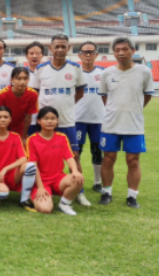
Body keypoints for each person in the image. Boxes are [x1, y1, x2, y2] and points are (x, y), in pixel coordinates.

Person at [29, 34, 89, 207]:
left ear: (68, 48)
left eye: (64, 46)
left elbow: (79, 93)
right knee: (37, 156)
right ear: (51, 48)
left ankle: (79, 192)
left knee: (74, 156)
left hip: (67, 121)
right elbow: (34, 93)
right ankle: (35, 188)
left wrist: (65, 106)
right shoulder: (41, 68)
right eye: (57, 46)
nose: (60, 49)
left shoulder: (75, 68)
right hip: (43, 122)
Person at [98, 37, 153, 208]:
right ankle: (106, 193)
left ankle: (132, 196)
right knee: (108, 159)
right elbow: (105, 97)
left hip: (134, 125)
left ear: (133, 51)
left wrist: (134, 110)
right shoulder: (107, 73)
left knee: (133, 161)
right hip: (110, 124)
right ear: (114, 53)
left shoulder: (144, 71)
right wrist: (115, 110)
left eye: (125, 49)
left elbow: (147, 95)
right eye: (117, 50)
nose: (121, 53)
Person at [27, 107, 84, 216]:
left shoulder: (62, 137)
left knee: (78, 179)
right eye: (46, 118)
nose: (49, 121)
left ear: (57, 121)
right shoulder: (32, 139)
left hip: (58, 179)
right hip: (41, 181)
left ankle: (64, 204)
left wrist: (75, 171)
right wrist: (40, 187)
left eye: (53, 118)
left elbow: (69, 157)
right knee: (46, 209)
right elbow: (33, 166)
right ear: (38, 121)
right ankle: (32, 194)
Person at [0, 106, 36, 212]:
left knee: (30, 166)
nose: (3, 119)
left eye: (6, 117)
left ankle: (24, 200)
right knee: (2, 194)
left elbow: (23, 159)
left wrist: (6, 169)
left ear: (10, 119)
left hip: (12, 175)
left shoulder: (15, 137)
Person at [74, 41, 105, 192]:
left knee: (97, 151)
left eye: (91, 52)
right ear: (79, 55)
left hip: (98, 119)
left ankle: (97, 182)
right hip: (77, 119)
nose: (88, 55)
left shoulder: (104, 73)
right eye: (85, 52)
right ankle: (76, 182)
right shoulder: (74, 72)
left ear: (96, 54)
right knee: (76, 152)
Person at [0, 67, 39, 144]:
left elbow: (28, 117)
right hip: (4, 126)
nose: (22, 82)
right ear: (12, 80)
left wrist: (23, 137)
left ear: (28, 79)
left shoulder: (33, 94)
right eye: (18, 79)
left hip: (21, 128)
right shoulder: (3, 94)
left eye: (25, 78)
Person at [25, 41, 45, 136]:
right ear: (26, 56)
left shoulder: (48, 71)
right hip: (26, 119)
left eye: (37, 53)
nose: (34, 56)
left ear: (42, 55)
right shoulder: (20, 74)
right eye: (31, 53)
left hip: (44, 118)